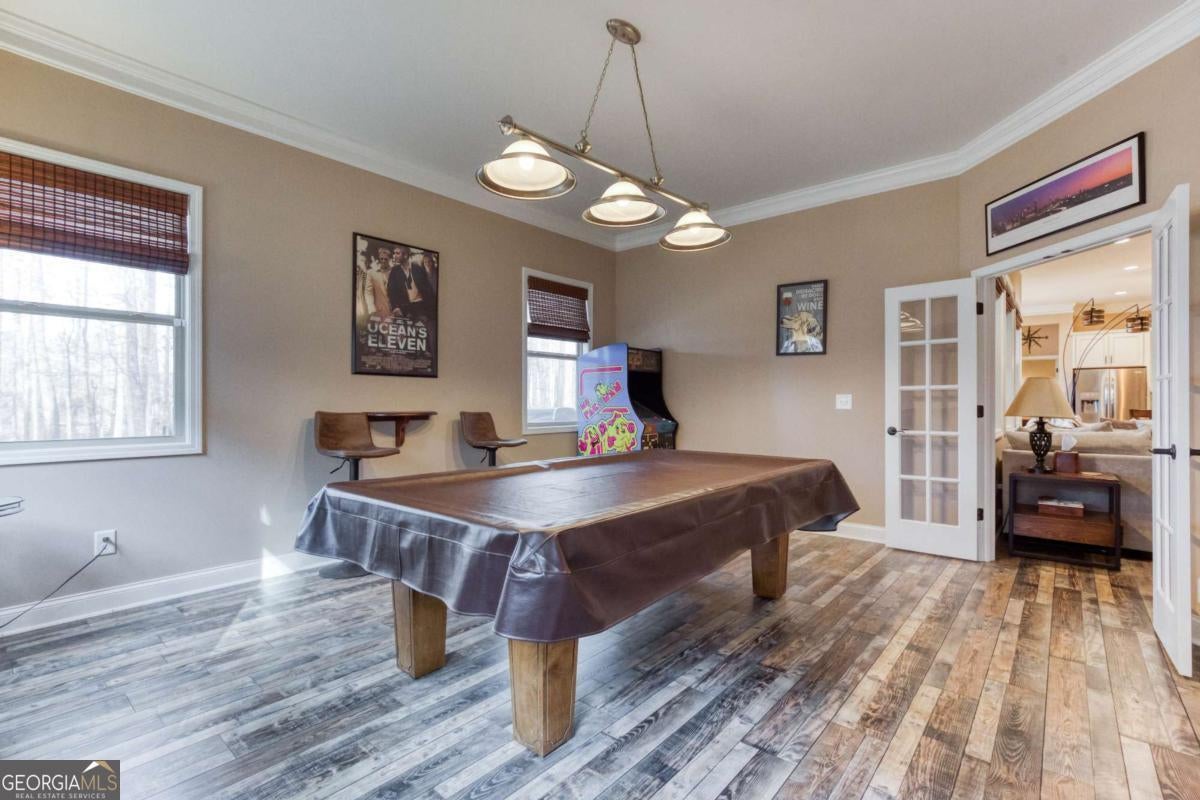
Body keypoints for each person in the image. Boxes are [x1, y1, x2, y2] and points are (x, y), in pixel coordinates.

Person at [388, 247, 436, 315]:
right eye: (394, 253)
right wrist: (395, 307)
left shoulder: (418, 269)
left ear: (405, 255)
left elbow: (428, 289)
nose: (394, 255)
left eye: (397, 253)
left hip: (421, 307)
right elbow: (391, 291)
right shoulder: (395, 271)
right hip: (404, 309)